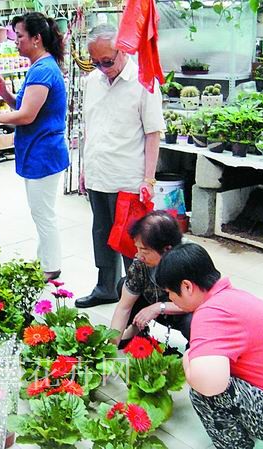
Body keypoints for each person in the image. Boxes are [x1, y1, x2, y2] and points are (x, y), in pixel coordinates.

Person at [155, 243, 263, 449]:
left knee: (205, 392)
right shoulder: (230, 298)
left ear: (187, 286)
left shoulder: (211, 313)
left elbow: (209, 384)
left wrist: (188, 357)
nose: (170, 298)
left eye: (170, 292)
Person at [0, 12, 69, 280]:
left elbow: (26, 116)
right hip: (39, 150)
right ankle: (45, 261)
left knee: (43, 213)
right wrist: (2, 91)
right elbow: (21, 106)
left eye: (20, 36)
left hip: (43, 152)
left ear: (36, 39)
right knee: (41, 212)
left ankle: (50, 266)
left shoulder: (44, 70)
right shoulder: (39, 68)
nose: (15, 41)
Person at [75, 24, 164, 308]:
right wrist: (85, 169)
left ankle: (138, 296)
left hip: (128, 177)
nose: (102, 68)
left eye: (107, 61)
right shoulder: (93, 82)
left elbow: (153, 133)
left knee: (131, 243)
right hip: (99, 173)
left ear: (123, 49)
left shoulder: (144, 81)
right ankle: (105, 287)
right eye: (96, 62)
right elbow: (91, 127)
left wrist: (148, 180)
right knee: (101, 234)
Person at [110, 211, 192, 347]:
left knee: (193, 321)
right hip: (154, 305)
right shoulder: (140, 263)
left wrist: (159, 307)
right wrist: (110, 348)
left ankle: (194, 353)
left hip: (183, 311)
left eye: (144, 250)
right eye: (137, 248)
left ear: (167, 249)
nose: (139, 255)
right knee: (123, 285)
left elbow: (200, 302)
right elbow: (124, 308)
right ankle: (136, 330)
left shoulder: (190, 260)